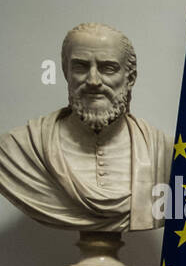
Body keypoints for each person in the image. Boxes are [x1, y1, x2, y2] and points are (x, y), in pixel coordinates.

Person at [0, 22, 169, 232]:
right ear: (66, 73)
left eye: (108, 68)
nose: (93, 80)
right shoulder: (16, 150)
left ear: (130, 78)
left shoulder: (165, 153)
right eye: (80, 67)